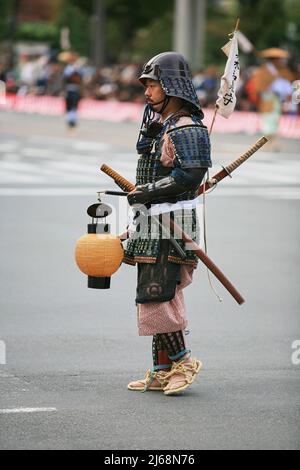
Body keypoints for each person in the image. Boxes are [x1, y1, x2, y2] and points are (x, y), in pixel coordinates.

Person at [124, 52, 212, 395]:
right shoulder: (166, 125)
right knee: (154, 294)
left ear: (171, 87)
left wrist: (146, 191)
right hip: (153, 223)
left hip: (172, 223)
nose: (146, 92)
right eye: (145, 85)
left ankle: (183, 361)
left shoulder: (188, 127)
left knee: (158, 295)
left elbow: (189, 176)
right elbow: (149, 156)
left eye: (152, 84)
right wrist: (149, 134)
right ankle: (162, 370)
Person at [251, 48, 295, 150]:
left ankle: (269, 142)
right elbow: (258, 86)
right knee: (269, 120)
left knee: (274, 120)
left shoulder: (282, 71)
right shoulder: (263, 71)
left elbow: (289, 82)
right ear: (274, 60)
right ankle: (270, 142)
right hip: (267, 99)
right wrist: (272, 81)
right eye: (279, 60)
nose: (282, 62)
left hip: (277, 99)